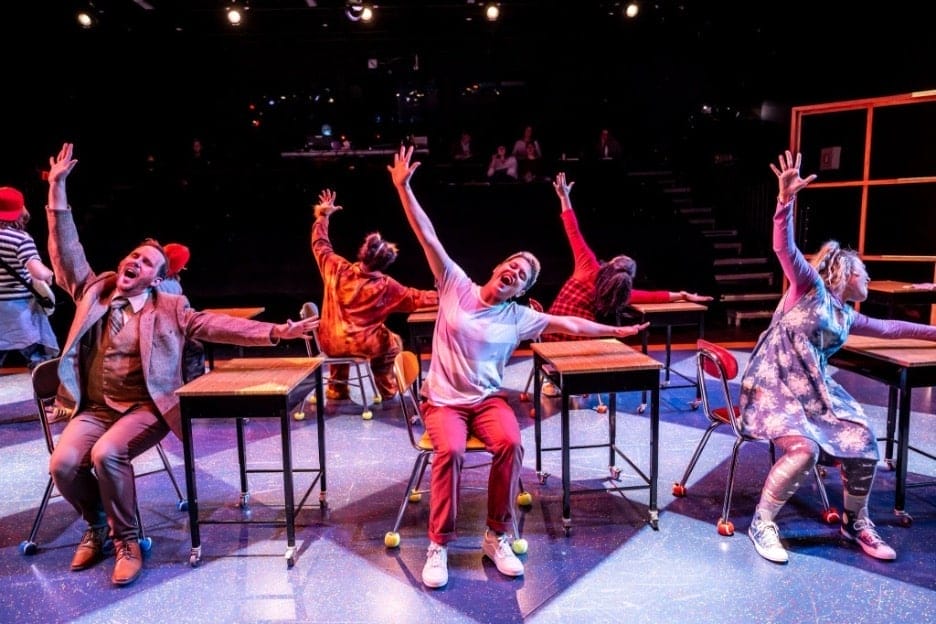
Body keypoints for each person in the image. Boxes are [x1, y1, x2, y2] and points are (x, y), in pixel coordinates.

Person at [44, 142, 319, 586]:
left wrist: (275, 333)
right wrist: (57, 189)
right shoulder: (93, 290)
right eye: (134, 255)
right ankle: (97, 527)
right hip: (94, 409)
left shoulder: (169, 307)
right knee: (62, 464)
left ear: (158, 277)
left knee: (107, 453)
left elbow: (214, 325)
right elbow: (65, 249)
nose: (136, 262)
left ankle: (128, 542)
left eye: (147, 262)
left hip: (144, 407)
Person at [387, 145, 648, 589]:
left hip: (486, 401)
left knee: (510, 442)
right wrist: (404, 188)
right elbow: (427, 235)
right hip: (444, 401)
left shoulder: (518, 316)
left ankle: (497, 535)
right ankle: (439, 544)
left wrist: (614, 333)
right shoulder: (454, 283)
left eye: (524, 275)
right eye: (514, 265)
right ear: (498, 268)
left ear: (521, 289)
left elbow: (567, 322)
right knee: (448, 451)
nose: (516, 272)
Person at [740, 151, 936, 564]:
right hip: (775, 384)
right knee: (804, 450)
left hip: (812, 390)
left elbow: (894, 328)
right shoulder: (808, 289)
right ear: (844, 273)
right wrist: (784, 202)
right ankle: (762, 522)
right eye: (863, 271)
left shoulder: (845, 315)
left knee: (863, 441)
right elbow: (784, 248)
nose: (868, 277)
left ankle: (855, 519)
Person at [542, 171, 712, 343]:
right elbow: (654, 296)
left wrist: (564, 197)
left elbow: (572, 229)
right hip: (579, 337)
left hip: (550, 330)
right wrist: (682, 294)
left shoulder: (588, 265)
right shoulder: (621, 292)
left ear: (610, 263)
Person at [310, 188, 438, 402]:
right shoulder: (386, 286)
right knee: (392, 342)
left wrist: (323, 216)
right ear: (386, 264)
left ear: (363, 252)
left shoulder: (337, 268)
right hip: (362, 345)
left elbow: (320, 245)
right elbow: (417, 299)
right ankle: (387, 389)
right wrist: (445, 294)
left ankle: (337, 389)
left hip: (329, 342)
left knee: (340, 336)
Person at [0, 186, 60, 370]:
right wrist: (49, 273)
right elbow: (38, 272)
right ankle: (44, 393)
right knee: (36, 353)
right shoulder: (21, 239)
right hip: (18, 309)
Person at [154, 242, 205, 383]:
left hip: (166, 327)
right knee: (195, 348)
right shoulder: (169, 284)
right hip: (163, 330)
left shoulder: (166, 280)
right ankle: (193, 385)